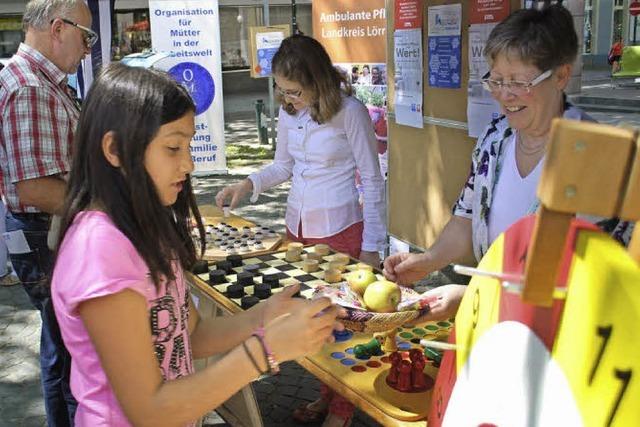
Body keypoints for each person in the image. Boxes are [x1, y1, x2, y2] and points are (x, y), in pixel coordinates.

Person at [50, 63, 343, 426]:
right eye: (173, 147)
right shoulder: (99, 249)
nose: (188, 164)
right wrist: (265, 350)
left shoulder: (147, 227)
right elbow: (150, 410)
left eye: (188, 145)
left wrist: (263, 317)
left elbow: (193, 334)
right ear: (115, 150)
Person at [384, 5, 633, 322]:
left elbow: (599, 278)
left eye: (518, 82)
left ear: (561, 75)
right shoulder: (494, 138)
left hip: (563, 339)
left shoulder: (598, 158)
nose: (504, 95)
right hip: (497, 325)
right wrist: (428, 260)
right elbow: (466, 217)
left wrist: (474, 297)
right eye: (497, 80)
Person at [216, 34, 386, 427]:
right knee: (309, 323)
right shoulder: (290, 113)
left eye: (294, 90)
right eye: (280, 89)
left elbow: (373, 183)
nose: (287, 98)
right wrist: (248, 184)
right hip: (297, 229)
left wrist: (373, 246)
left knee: (342, 323)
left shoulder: (350, 112)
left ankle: (342, 409)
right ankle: (325, 395)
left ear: (318, 82)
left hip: (341, 229)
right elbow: (283, 167)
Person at [0, 0, 96, 424]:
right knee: (76, 354)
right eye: (86, 35)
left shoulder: (39, 81)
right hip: (44, 233)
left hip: (42, 232)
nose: (89, 47)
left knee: (59, 344)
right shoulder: (32, 88)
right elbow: (36, 188)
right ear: (58, 28)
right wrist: (110, 209)